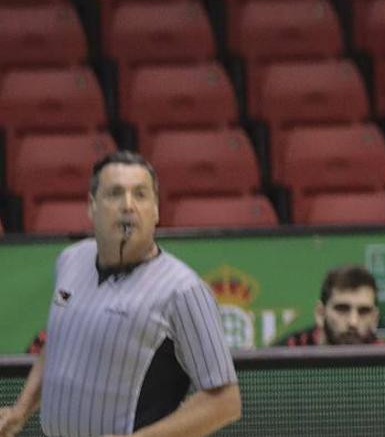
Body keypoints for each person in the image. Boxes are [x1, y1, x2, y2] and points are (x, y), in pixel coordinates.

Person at [0, 150, 241, 437]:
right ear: (91, 207)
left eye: (140, 195)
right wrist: (20, 410)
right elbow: (61, 342)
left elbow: (226, 401)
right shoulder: (71, 260)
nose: (128, 206)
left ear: (156, 210)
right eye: (115, 194)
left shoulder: (184, 291)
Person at [279, 264, 385, 346]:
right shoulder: (286, 353)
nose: (353, 322)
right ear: (320, 313)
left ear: (374, 319)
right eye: (342, 309)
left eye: (364, 311)